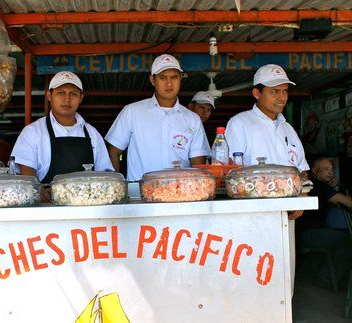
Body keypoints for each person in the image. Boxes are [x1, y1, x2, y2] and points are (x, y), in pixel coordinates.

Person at [105, 54, 210, 181]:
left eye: (174, 77)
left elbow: (198, 164)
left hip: (180, 195)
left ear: (180, 79)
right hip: (139, 194)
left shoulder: (192, 119)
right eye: (163, 77)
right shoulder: (132, 112)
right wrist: (118, 185)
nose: (169, 83)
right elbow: (114, 152)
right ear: (152, 80)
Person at [225, 64, 309, 220]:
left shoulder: (287, 128)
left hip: (286, 212)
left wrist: (302, 197)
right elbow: (231, 170)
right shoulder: (240, 123)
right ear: (257, 93)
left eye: (285, 91)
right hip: (251, 211)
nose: (282, 97)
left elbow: (301, 168)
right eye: (275, 91)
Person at [11, 71, 114, 187]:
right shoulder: (33, 132)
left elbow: (105, 174)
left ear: (81, 98)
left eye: (73, 94)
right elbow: (25, 171)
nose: (67, 99)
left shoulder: (92, 133)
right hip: (47, 201)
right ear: (49, 96)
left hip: (85, 202)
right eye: (60, 93)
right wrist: (39, 190)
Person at [296, 157, 352, 287]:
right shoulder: (319, 186)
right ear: (314, 171)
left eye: (331, 169)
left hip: (307, 232)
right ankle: (326, 278)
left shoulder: (316, 185)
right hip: (307, 234)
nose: (330, 172)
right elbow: (347, 202)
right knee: (347, 240)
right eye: (326, 169)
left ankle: (329, 276)